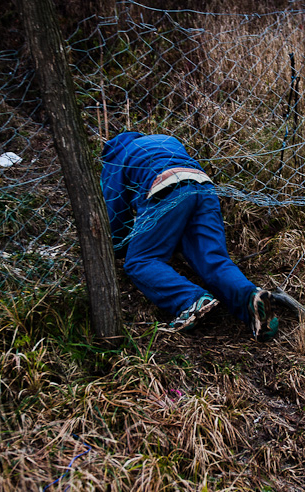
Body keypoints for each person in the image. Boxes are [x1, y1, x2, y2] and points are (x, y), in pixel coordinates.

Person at [100, 131, 279, 342]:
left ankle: (190, 300)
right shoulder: (166, 139)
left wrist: (118, 249)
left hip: (165, 187)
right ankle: (250, 297)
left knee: (140, 261)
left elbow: (116, 212)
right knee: (214, 259)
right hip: (203, 186)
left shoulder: (115, 159)